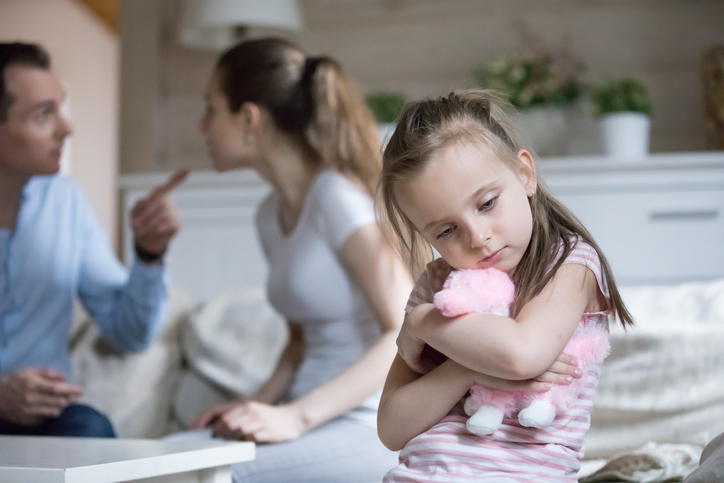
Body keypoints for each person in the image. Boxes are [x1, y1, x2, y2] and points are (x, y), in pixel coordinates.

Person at [376, 89, 634, 482]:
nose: (478, 237)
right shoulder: (439, 282)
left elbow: (520, 355)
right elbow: (392, 428)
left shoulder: (569, 263)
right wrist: (464, 373)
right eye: (447, 230)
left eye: (486, 204)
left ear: (525, 175)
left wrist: (421, 324)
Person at [185, 37, 412, 482]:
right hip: (305, 421)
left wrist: (296, 418)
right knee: (152, 457)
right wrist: (257, 406)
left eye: (211, 109)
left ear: (249, 118)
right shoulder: (269, 216)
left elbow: (406, 331)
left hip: (368, 425)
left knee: (201, 476)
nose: (202, 125)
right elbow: (298, 344)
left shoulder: (338, 198)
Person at [0, 42, 186, 438]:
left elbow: (130, 333)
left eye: (60, 108)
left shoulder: (66, 203)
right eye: (43, 115)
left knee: (90, 429)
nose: (67, 129)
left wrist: (149, 254)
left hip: (45, 423)